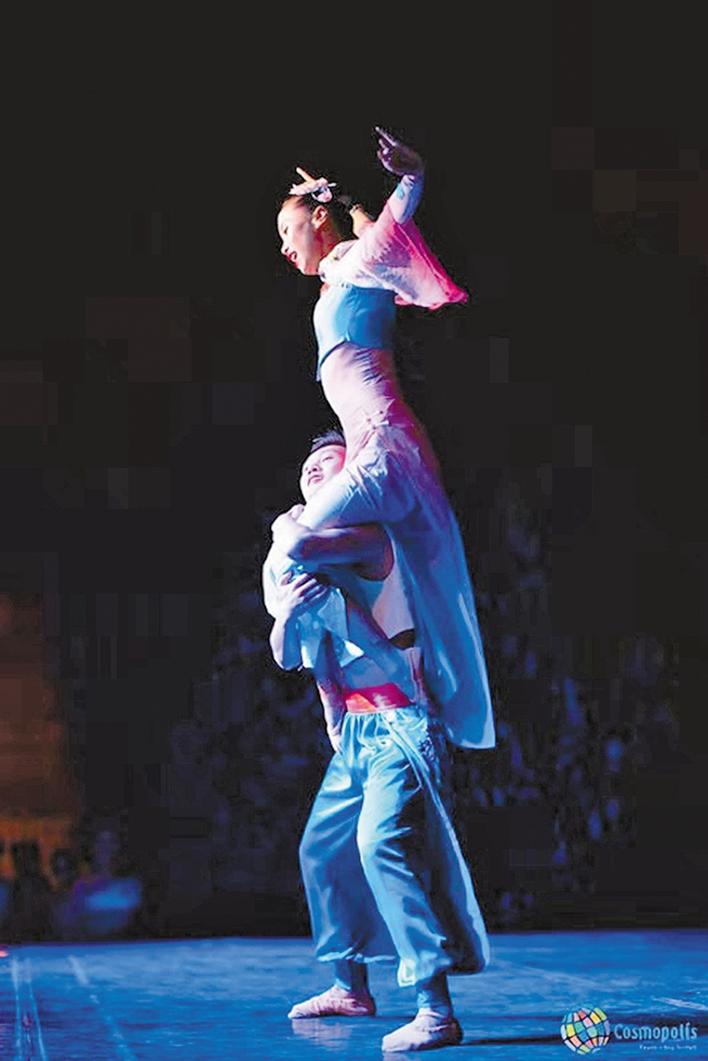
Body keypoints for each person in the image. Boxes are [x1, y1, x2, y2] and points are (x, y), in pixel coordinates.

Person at [264, 430, 491, 1053]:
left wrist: (286, 524)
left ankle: (434, 1007)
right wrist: (290, 613)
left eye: (327, 465)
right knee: (323, 850)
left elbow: (298, 541)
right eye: (306, 468)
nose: (313, 474)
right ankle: (350, 986)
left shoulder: (371, 537)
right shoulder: (314, 569)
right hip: (358, 732)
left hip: (401, 721)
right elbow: (286, 652)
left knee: (380, 843)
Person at [273, 126, 495, 759]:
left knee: (292, 546)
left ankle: (361, 687)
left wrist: (412, 176)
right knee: (315, 566)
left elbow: (388, 229)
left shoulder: (354, 266)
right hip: (379, 452)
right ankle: (380, 684)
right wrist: (348, 202)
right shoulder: (341, 274)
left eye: (288, 230)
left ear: (318, 219)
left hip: (384, 452)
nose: (284, 247)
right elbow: (372, 235)